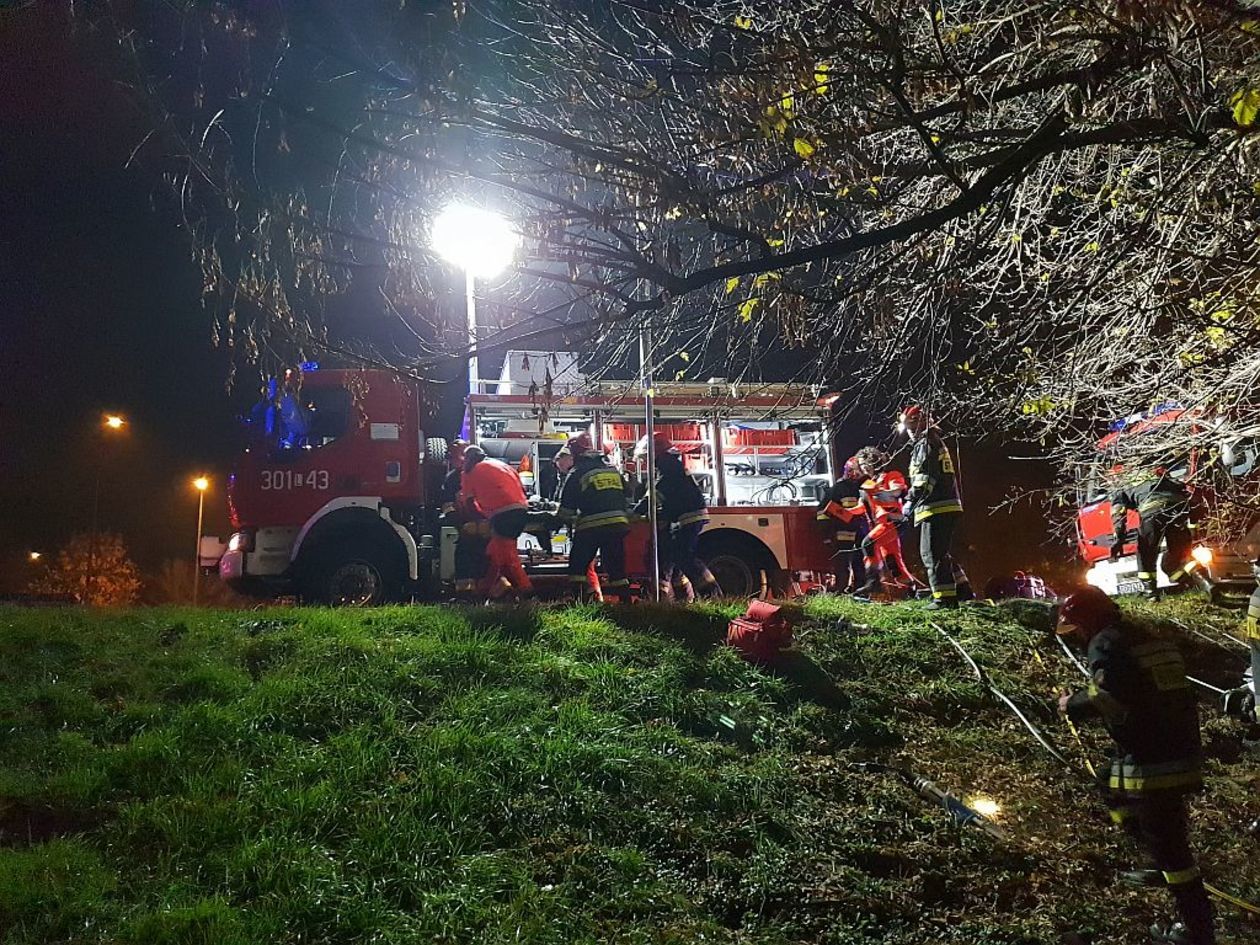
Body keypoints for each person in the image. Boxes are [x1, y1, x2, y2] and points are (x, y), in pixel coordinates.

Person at [1056, 587, 1213, 945]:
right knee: (1109, 782)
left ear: (1088, 621)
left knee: (1173, 851)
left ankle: (1197, 929)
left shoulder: (1105, 644)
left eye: (1077, 627)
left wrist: (1072, 704)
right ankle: (1151, 856)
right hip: (1178, 749)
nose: (1077, 636)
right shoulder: (1145, 637)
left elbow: (1108, 695)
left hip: (1153, 762)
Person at [635, 433, 718, 601]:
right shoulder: (671, 464)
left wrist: (635, 512)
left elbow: (655, 495)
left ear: (654, 453)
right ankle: (684, 598)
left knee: (684, 557)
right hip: (687, 517)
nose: (645, 462)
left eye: (646, 457)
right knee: (675, 557)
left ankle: (712, 595)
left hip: (687, 518)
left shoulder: (667, 468)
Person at [900, 406, 968, 609]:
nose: (910, 431)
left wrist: (911, 500)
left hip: (935, 507)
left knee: (931, 553)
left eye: (912, 426)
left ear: (921, 422)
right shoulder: (933, 442)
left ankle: (944, 599)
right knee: (941, 551)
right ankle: (963, 590)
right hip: (945, 506)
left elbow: (924, 478)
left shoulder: (925, 444)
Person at [1108, 460, 1200, 600]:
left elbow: (1118, 512)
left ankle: (1151, 594)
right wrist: (1193, 526)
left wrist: (1119, 538)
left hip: (1152, 511)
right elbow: (1187, 494)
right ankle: (1206, 584)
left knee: (1146, 553)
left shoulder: (1122, 484)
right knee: (1179, 557)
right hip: (1178, 509)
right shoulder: (1156, 474)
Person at [558, 432, 632, 602]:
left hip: (592, 526)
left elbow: (566, 511)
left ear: (574, 452)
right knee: (616, 569)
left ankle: (578, 602)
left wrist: (551, 520)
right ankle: (628, 606)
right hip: (618, 525)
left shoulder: (577, 472)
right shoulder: (611, 469)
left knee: (578, 564)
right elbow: (628, 495)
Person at [459, 445, 534, 599]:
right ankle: (484, 592)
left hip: (501, 514)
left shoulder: (469, 471)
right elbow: (521, 491)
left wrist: (479, 519)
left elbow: (468, 503)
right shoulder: (503, 466)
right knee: (494, 553)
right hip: (521, 511)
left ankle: (527, 593)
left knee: (507, 556)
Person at [854, 446, 921, 596]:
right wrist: (840, 512)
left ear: (874, 461)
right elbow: (860, 508)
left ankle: (873, 582)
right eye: (861, 464)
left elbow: (897, 491)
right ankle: (911, 589)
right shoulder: (868, 486)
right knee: (893, 562)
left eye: (865, 463)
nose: (863, 467)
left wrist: (881, 492)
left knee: (868, 543)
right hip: (883, 525)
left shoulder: (891, 475)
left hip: (893, 521)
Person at [440, 440, 487, 597]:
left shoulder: (469, 475)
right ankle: (469, 594)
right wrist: (461, 524)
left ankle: (474, 594)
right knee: (470, 556)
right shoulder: (453, 478)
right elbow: (448, 504)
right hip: (471, 523)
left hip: (479, 523)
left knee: (476, 557)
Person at [816, 457, 869, 595]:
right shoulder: (838, 489)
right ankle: (841, 591)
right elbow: (822, 513)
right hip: (842, 535)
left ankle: (860, 592)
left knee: (860, 564)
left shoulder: (866, 487)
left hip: (862, 534)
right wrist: (826, 535)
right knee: (842, 565)